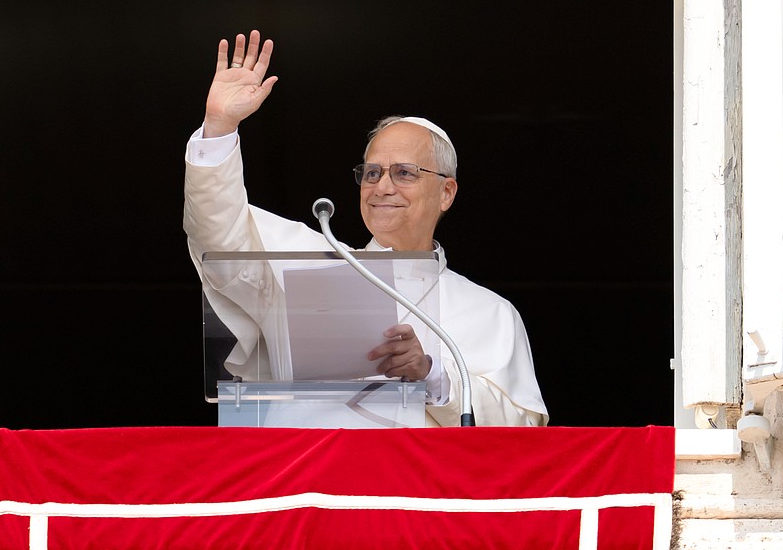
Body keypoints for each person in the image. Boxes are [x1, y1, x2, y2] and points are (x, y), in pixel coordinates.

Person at [185, 30, 547, 427]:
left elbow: (518, 430)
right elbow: (220, 233)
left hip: (409, 488)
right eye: (372, 173)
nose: (382, 187)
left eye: (404, 173)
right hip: (309, 482)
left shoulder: (489, 312)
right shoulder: (307, 264)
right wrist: (219, 127)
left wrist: (430, 373)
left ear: (446, 192)